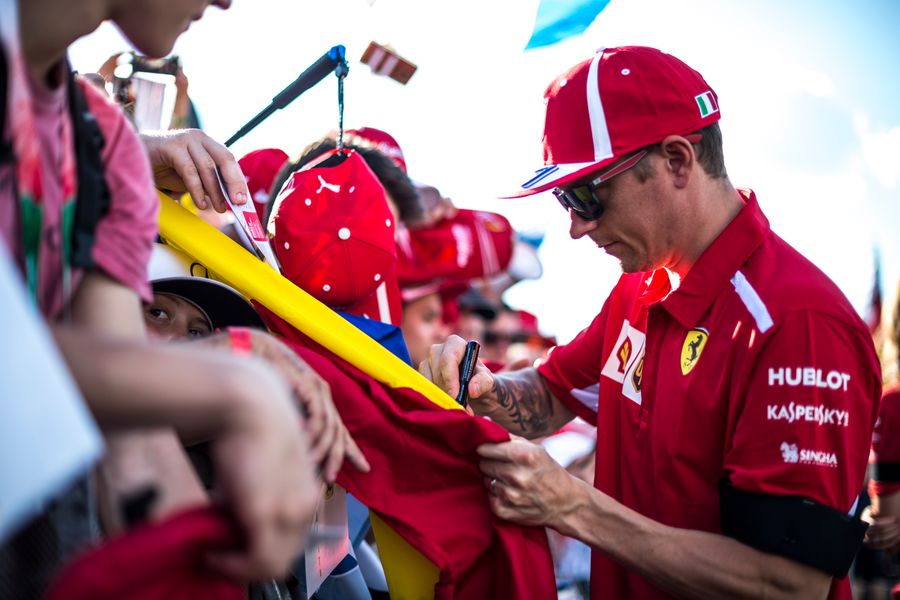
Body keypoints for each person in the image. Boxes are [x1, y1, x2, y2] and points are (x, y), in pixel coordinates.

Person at [420, 45, 880, 599]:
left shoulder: (799, 325)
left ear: (678, 160)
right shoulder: (643, 287)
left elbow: (788, 584)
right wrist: (485, 386)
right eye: (565, 199)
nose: (576, 227)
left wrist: (573, 507)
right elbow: (551, 393)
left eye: (587, 195)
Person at [1, 0, 320, 594]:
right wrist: (234, 381)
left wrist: (207, 562)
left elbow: (135, 444)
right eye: (160, 312)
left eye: (197, 332)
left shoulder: (107, 143)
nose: (227, 3)